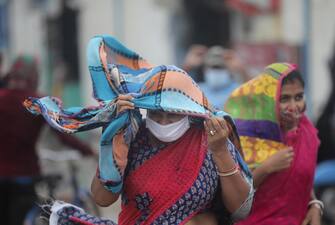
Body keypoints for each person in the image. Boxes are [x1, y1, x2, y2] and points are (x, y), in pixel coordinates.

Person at [26, 35, 254, 225]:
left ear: (189, 113)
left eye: (173, 114)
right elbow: (103, 198)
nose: (164, 122)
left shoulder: (210, 142)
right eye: (156, 113)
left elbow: (240, 208)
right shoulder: (131, 137)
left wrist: (222, 153)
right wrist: (113, 149)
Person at [0, 55, 96, 225]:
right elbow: (62, 132)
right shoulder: (36, 102)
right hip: (25, 176)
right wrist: (89, 151)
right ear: (33, 77)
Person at [224, 63, 322, 225]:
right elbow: (234, 198)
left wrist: (315, 205)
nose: (293, 107)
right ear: (268, 100)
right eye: (284, 99)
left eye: (298, 97)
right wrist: (266, 168)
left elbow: (302, 179)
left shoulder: (306, 133)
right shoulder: (249, 136)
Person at [183, 45, 251, 109]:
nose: (216, 71)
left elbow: (253, 96)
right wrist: (187, 67)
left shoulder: (237, 90)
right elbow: (177, 94)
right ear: (205, 70)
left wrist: (242, 70)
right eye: (213, 68)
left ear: (229, 70)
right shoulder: (197, 89)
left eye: (220, 68)